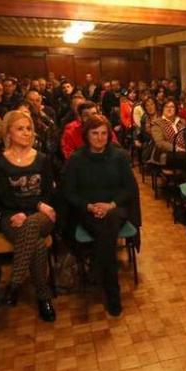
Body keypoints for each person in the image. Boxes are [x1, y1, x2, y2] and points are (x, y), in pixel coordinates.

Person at [0, 110, 57, 322]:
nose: (27, 133)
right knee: (37, 244)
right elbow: (3, 196)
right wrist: (31, 207)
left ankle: (14, 283)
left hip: (41, 216)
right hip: (11, 215)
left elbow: (47, 193)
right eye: (20, 128)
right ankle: (43, 296)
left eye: (29, 128)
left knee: (33, 223)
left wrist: (34, 208)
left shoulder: (42, 159)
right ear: (8, 132)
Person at [63, 114, 136, 317]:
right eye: (95, 133)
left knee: (109, 221)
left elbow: (128, 189)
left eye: (104, 133)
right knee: (107, 229)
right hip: (88, 209)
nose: (100, 137)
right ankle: (113, 292)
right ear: (86, 135)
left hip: (115, 207)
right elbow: (69, 192)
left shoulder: (119, 156)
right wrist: (89, 206)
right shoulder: (76, 159)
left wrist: (110, 205)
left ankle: (97, 270)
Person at [150, 98, 186, 169]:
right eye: (166, 107)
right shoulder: (157, 123)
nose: (169, 109)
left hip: (184, 150)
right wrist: (177, 148)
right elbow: (160, 143)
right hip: (167, 152)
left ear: (176, 109)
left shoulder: (182, 121)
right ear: (163, 109)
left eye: (172, 107)